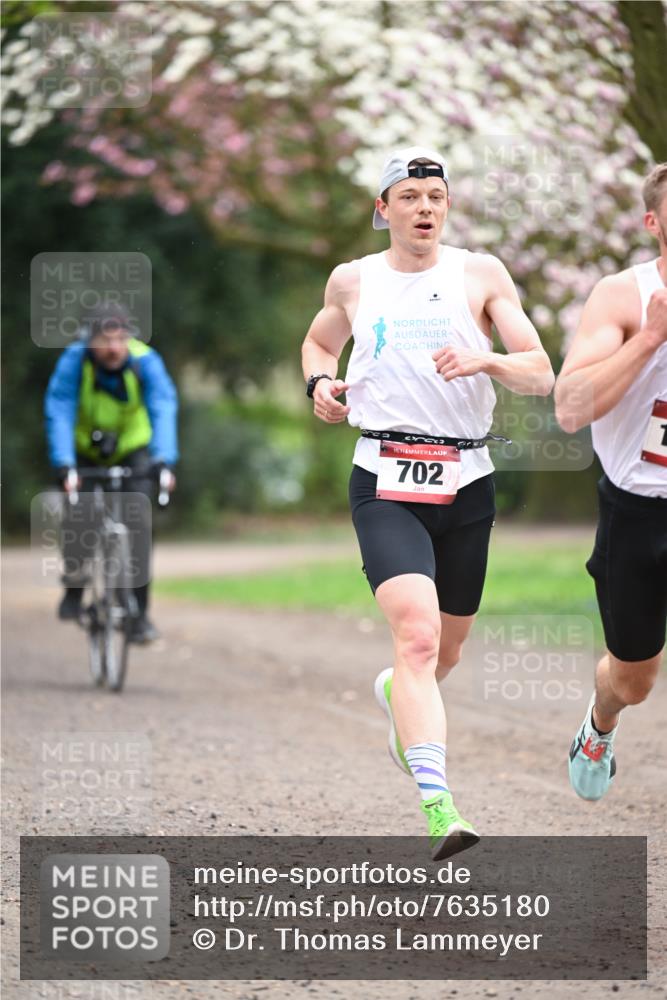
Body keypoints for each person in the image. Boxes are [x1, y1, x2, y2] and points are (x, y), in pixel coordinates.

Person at [301, 146, 554, 859]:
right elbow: (318, 342)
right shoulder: (353, 280)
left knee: (445, 649)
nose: (424, 209)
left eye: (435, 197)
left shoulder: (480, 274)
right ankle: (441, 807)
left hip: (466, 480)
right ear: (382, 209)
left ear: (447, 208)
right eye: (409, 197)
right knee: (416, 637)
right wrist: (319, 384)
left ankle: (400, 698)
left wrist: (487, 359)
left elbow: (540, 373)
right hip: (384, 477)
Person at [555, 163, 667, 801]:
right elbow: (570, 408)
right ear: (653, 222)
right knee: (633, 680)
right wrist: (651, 337)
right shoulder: (622, 296)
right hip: (638, 511)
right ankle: (599, 727)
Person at [44, 301, 179, 643]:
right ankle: (75, 588)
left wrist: (164, 460)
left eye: (120, 339)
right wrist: (64, 463)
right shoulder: (74, 361)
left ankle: (138, 616)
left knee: (139, 525)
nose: (114, 347)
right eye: (105, 340)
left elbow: (163, 406)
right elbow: (60, 409)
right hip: (84, 451)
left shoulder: (145, 360)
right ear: (89, 340)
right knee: (80, 515)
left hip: (132, 447)